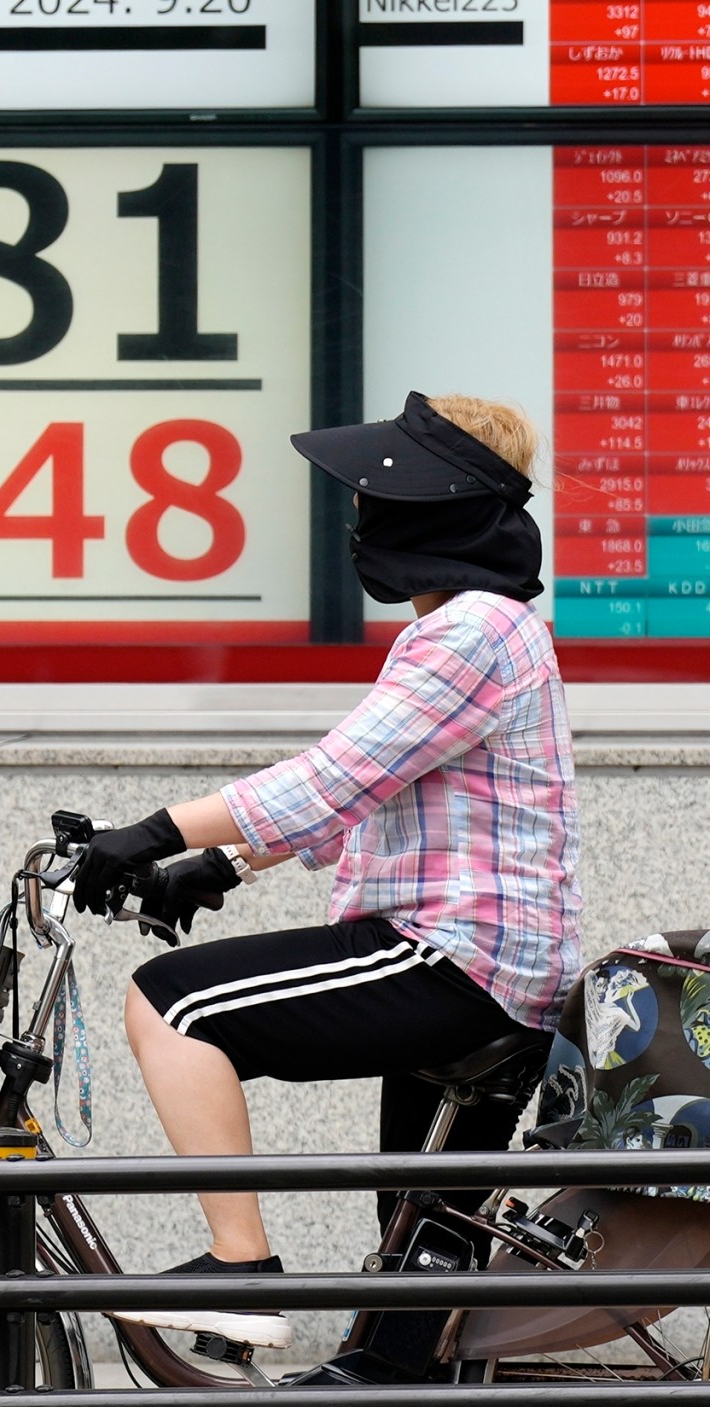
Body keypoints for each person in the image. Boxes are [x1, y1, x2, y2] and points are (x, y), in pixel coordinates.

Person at [65, 392, 581, 1349]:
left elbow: (336, 775)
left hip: (454, 959)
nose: (357, 517)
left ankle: (238, 1269)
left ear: (434, 506)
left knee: (171, 1005)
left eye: (374, 497)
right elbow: (372, 793)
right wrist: (218, 865)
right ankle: (404, 1403)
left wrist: (156, 832)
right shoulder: (478, 627)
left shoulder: (473, 631)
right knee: (418, 1261)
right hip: (491, 964)